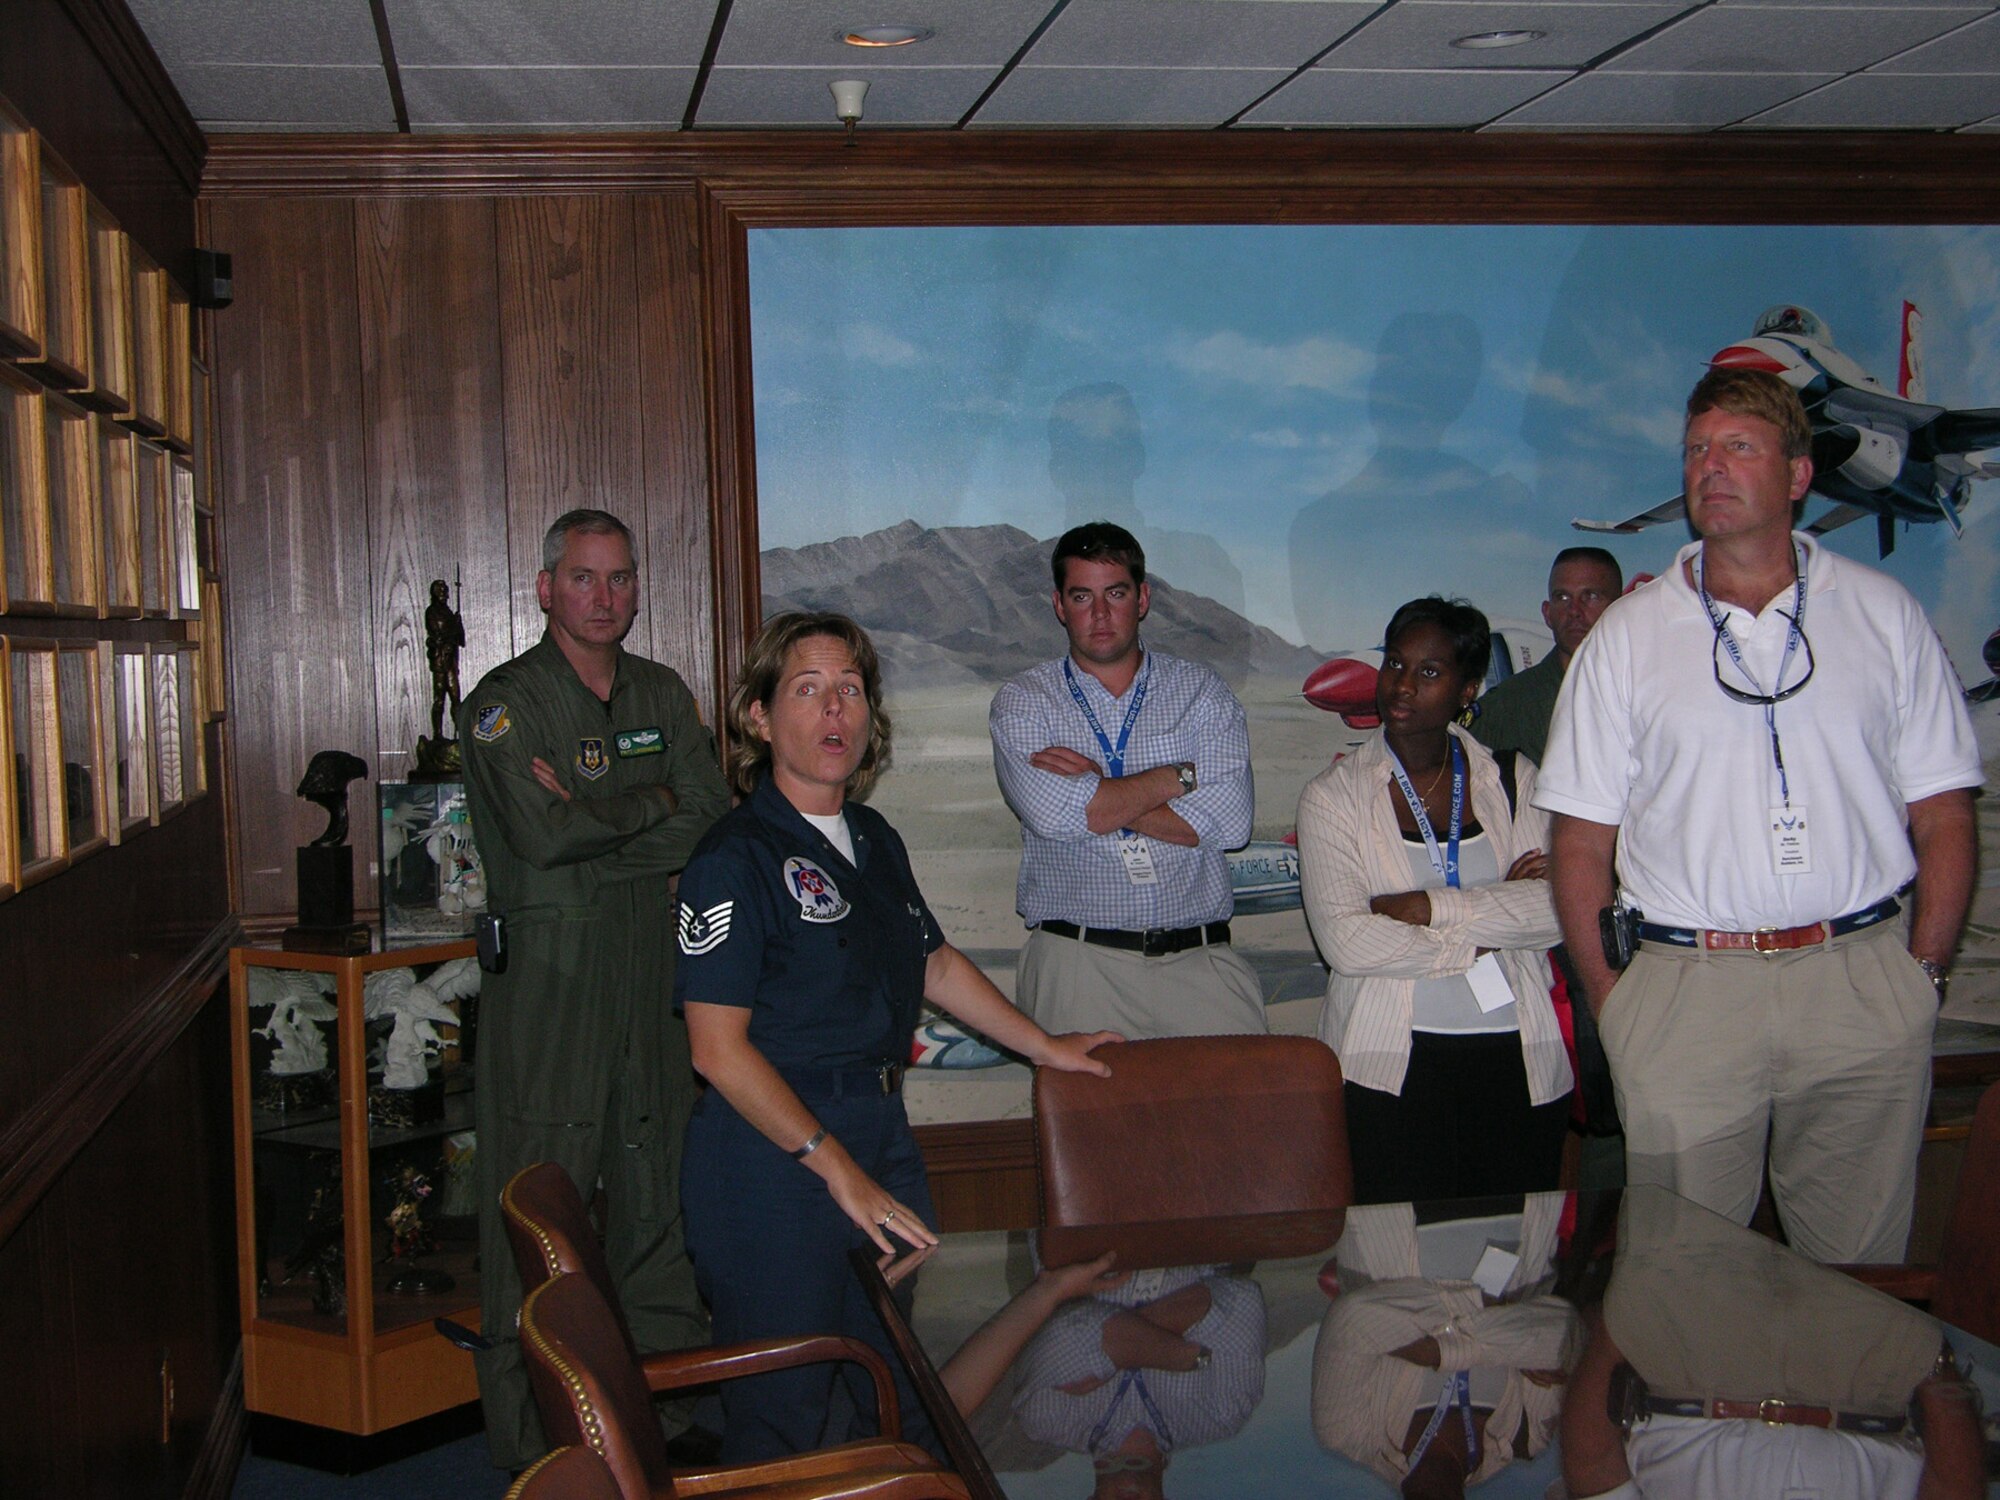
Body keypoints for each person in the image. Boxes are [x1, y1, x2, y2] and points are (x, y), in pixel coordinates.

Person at [1536, 367, 1982, 1263]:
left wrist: (1918, 981)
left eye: (1740, 447)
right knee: (1680, 1285)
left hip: (1857, 983)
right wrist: (1616, 1006)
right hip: (1684, 992)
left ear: (1798, 476)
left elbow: (1943, 814)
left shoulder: (1886, 616)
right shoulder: (1625, 638)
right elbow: (1579, 842)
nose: (1712, 466)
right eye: (1698, 450)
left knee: (1856, 1285)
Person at [674, 610, 1120, 1463]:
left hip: (879, 1135)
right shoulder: (732, 858)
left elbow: (936, 964)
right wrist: (840, 1174)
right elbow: (716, 1051)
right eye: (807, 689)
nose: (834, 709)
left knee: (885, 1396)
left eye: (851, 689)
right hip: (773, 1166)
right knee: (784, 1420)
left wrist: (1046, 1047)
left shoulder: (872, 839)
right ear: (760, 718)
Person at [458, 508, 731, 1472]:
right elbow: (542, 838)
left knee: (655, 1161)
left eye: (620, 579)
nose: (604, 598)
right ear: (545, 589)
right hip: (552, 973)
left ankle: (664, 1395)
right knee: (541, 1188)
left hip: (650, 960)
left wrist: (607, 815)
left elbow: (709, 820)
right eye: (583, 578)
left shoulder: (661, 689)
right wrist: (641, 818)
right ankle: (535, 1430)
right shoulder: (503, 703)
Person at [1296, 597, 1571, 1204]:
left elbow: (1553, 912)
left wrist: (1429, 907)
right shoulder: (1334, 796)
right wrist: (1492, 919)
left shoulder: (1510, 779)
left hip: (1518, 1062)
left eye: (1429, 671)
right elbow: (1348, 942)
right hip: (1389, 1066)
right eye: (1395, 663)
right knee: (1393, 1270)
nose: (1401, 684)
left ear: (1467, 689)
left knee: (1512, 1264)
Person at [989, 521, 1263, 1038]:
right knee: (1085, 1122)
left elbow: (1230, 825)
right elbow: (1056, 815)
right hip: (1078, 966)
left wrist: (1100, 787)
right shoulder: (1025, 702)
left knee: (1239, 1116)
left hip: (1200, 964)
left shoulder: (1202, 693)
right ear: (1058, 604)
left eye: (1115, 593)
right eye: (1081, 596)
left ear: (1142, 598)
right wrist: (1176, 776)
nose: (1099, 614)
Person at [1470, 547, 1622, 767]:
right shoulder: (1509, 707)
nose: (1574, 611)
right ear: (1547, 613)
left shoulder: (1650, 695)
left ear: (1623, 608)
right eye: (1562, 597)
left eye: (1591, 596)